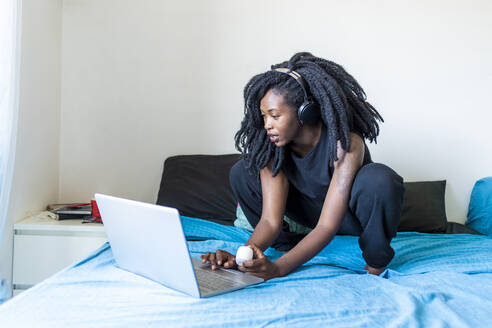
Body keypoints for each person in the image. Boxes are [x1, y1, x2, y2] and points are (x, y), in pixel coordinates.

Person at [201, 52, 405, 279]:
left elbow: (327, 227)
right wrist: (245, 255)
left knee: (380, 179)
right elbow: (269, 220)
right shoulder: (272, 147)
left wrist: (279, 269)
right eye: (263, 116)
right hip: (304, 214)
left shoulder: (345, 144)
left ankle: (375, 261)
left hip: (346, 217)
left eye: (275, 115)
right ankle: (286, 246)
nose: (267, 124)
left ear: (304, 112)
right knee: (242, 169)